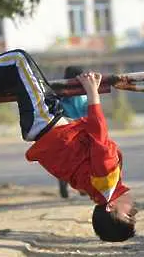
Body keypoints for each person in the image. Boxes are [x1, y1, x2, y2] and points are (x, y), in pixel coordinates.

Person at [0, 49, 137, 242]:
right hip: (46, 123)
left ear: (110, 207)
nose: (134, 210)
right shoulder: (97, 190)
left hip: (46, 118)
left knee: (18, 59)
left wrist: (92, 92)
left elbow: (99, 134)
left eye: (128, 216)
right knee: (12, 75)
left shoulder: (106, 182)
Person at [57, 66, 89, 199]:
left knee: (69, 160)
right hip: (81, 128)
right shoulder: (84, 92)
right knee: (81, 159)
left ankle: (70, 184)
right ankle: (81, 186)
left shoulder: (62, 91)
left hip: (68, 129)